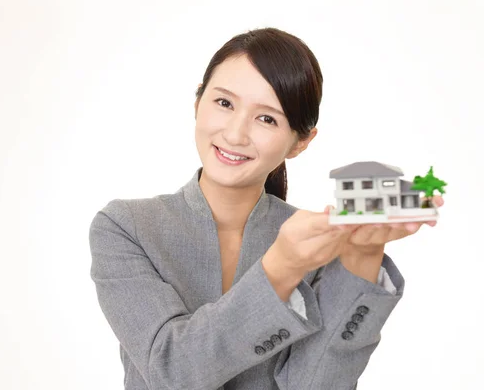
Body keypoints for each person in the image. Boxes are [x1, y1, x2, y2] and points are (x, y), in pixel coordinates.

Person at [88, 27, 443, 390]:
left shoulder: (315, 243)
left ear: (300, 142)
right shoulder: (126, 227)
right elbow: (172, 372)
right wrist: (281, 269)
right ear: (198, 102)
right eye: (224, 103)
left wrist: (363, 254)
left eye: (267, 118)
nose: (236, 134)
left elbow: (318, 384)